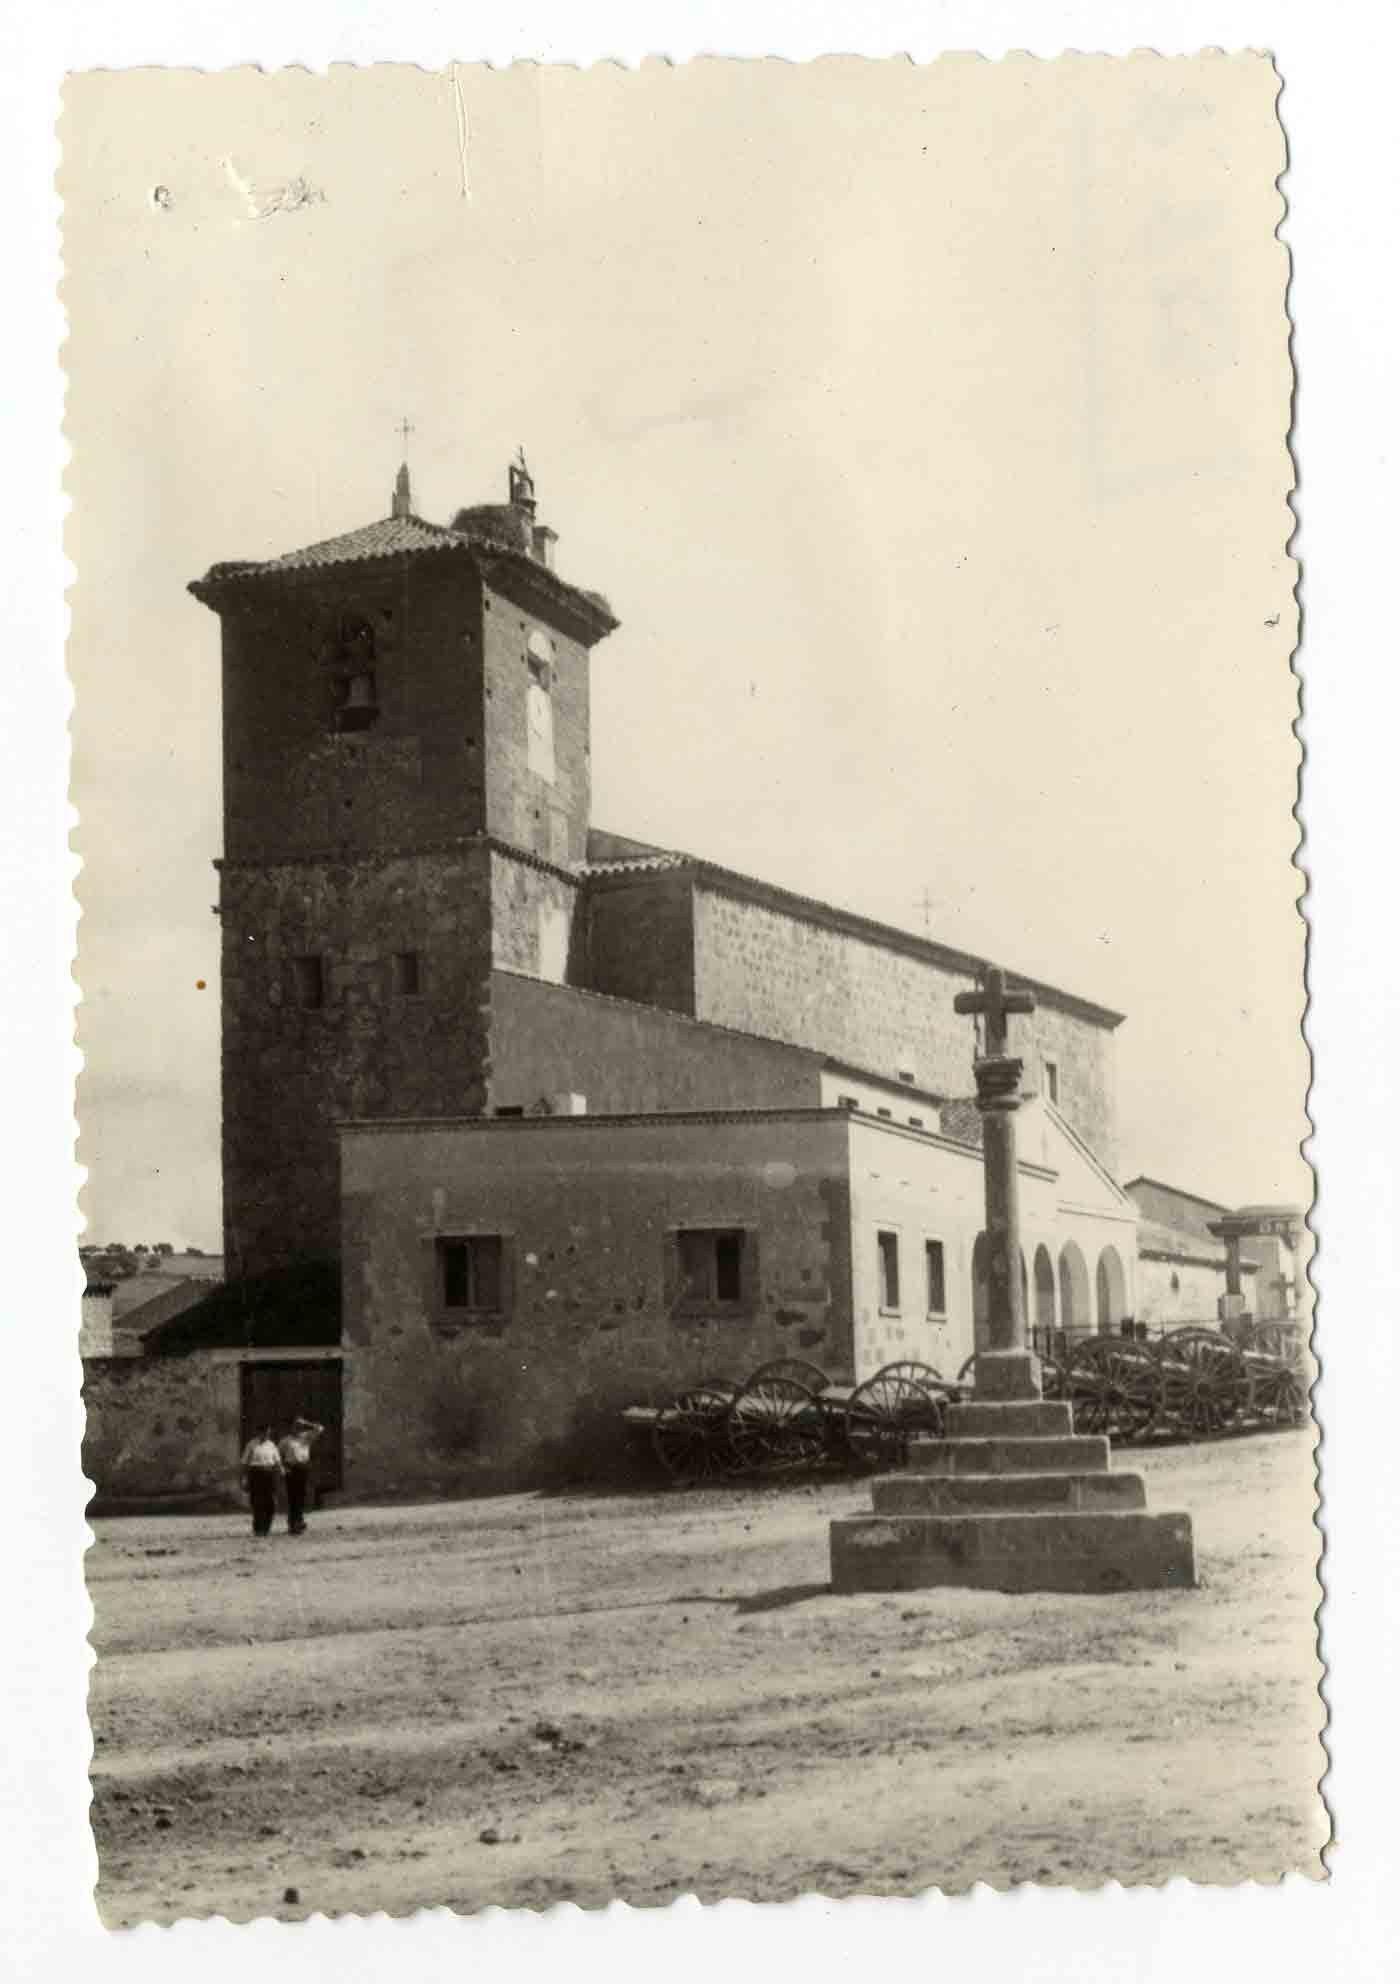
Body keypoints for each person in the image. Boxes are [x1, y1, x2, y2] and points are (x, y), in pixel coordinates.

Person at [277, 1416, 324, 1535]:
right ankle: (293, 1523)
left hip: (303, 1468)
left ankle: (299, 1521)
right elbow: (278, 1456)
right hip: (291, 1468)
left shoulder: (306, 1437)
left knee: (302, 1495)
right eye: (295, 1426)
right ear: (291, 1428)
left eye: (299, 1427)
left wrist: (308, 1423)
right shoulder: (285, 1441)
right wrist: (283, 1468)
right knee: (293, 1497)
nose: (297, 1429)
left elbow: (320, 1428)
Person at [240, 1425, 283, 1538]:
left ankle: (266, 1528)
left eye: (268, 1433)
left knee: (270, 1503)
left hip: (269, 1474)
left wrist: (280, 1472)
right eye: (265, 1433)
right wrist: (244, 1478)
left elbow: (277, 1461)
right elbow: (245, 1462)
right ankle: (258, 1529)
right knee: (257, 1502)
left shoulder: (272, 1445)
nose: (267, 1435)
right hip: (256, 1474)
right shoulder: (251, 1444)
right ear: (259, 1432)